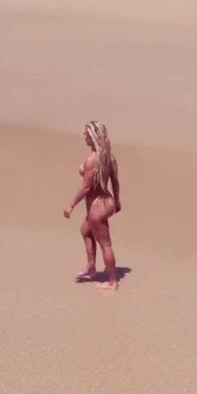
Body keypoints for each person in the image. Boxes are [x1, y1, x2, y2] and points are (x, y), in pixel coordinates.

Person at [63, 120, 122, 290]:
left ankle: (112, 281)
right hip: (107, 201)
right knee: (85, 230)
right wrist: (117, 200)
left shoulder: (92, 160)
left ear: (94, 137)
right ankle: (91, 267)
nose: (84, 137)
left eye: (86, 134)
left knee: (105, 244)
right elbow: (115, 181)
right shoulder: (109, 157)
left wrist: (71, 205)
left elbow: (86, 188)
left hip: (98, 206)